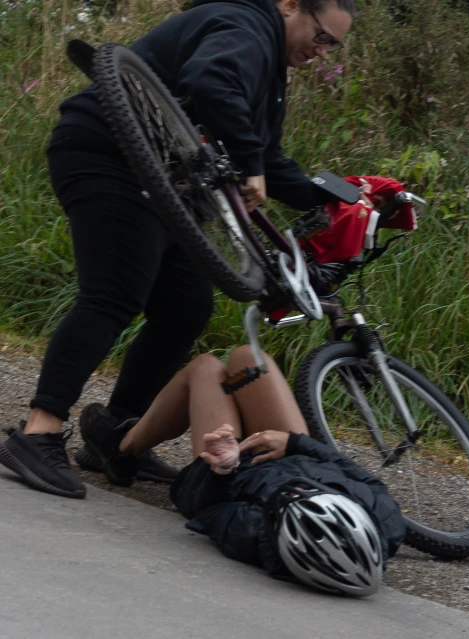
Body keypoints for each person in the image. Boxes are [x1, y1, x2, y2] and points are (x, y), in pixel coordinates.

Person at [0, 0, 355, 498]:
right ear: (290, 5)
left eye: (333, 46)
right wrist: (250, 160)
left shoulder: (270, 72)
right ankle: (39, 430)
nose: (322, 52)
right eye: (322, 37)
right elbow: (211, 82)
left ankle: (114, 434)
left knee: (185, 307)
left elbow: (267, 158)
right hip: (109, 155)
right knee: (114, 293)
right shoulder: (245, 26)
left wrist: (340, 197)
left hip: (164, 183)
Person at [80, 346, 405, 595]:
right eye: (313, 492)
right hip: (286, 448)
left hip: (234, 465)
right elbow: (350, 469)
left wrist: (224, 467)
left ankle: (122, 450)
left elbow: (204, 509)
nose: (301, 488)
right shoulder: (385, 521)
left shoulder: (254, 535)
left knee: (206, 367)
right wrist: (294, 443)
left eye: (293, 499)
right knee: (248, 359)